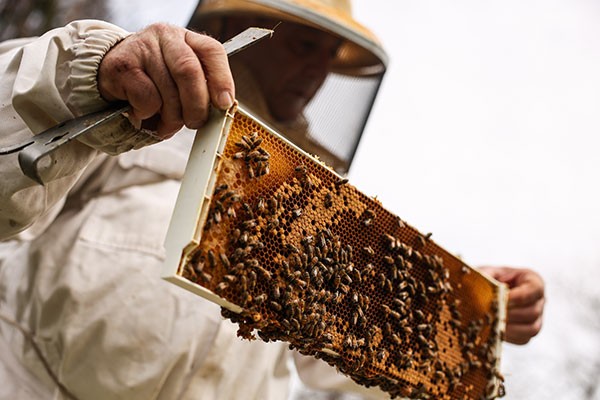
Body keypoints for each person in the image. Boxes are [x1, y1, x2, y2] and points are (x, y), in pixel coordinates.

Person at [0, 0, 544, 399]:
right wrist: (81, 77)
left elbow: (357, 346)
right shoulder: (133, 112)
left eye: (330, 56)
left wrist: (469, 312)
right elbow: (16, 136)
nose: (318, 71)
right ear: (236, 27)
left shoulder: (315, 210)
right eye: (305, 45)